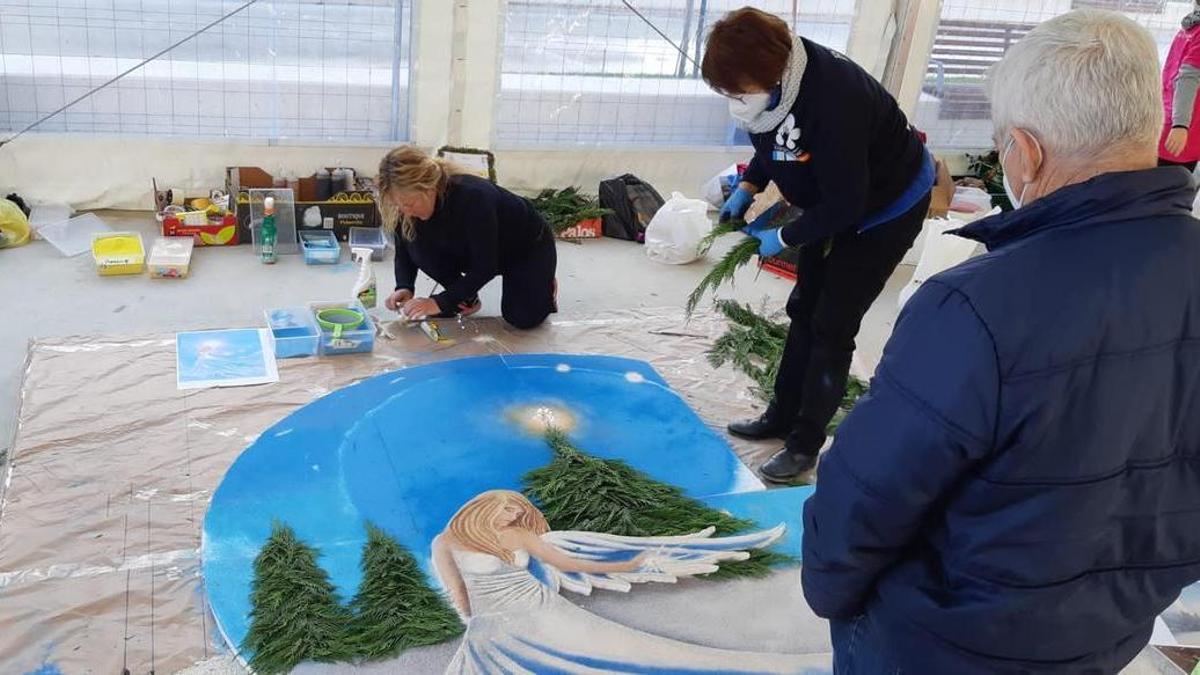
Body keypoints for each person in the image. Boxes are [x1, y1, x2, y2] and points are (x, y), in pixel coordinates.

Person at [802, 10, 1200, 672]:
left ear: (1027, 151)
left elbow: (866, 497)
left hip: (943, 645)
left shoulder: (975, 306)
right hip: (1107, 634)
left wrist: (831, 592)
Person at [701, 8, 935, 483]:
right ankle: (781, 415)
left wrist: (785, 236)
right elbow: (776, 142)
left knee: (833, 324)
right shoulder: (773, 88)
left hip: (884, 210)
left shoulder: (834, 100)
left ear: (768, 74)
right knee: (803, 307)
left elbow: (846, 205)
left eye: (737, 92)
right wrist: (749, 185)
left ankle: (805, 444)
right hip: (831, 200)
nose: (734, 102)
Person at [430, 490, 798, 673]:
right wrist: (473, 620)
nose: (513, 515)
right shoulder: (446, 542)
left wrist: (630, 564)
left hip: (537, 606)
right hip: (491, 623)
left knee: (620, 653)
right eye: (507, 508)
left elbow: (568, 561)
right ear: (484, 507)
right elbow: (456, 590)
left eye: (518, 510)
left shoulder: (522, 537)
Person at [377, 146, 557, 330]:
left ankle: (544, 284)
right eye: (399, 206)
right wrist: (404, 286)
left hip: (524, 249)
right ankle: (466, 299)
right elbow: (405, 250)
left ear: (429, 188)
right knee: (417, 244)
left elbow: (485, 267)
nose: (405, 211)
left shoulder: (474, 198)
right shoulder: (405, 207)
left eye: (409, 204)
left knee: (522, 319)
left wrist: (439, 302)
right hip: (471, 245)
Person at [1159, 0, 1200, 172]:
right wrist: (1180, 125)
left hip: (1164, 120)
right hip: (1183, 133)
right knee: (1170, 193)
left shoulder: (1190, 26)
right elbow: (1187, 79)